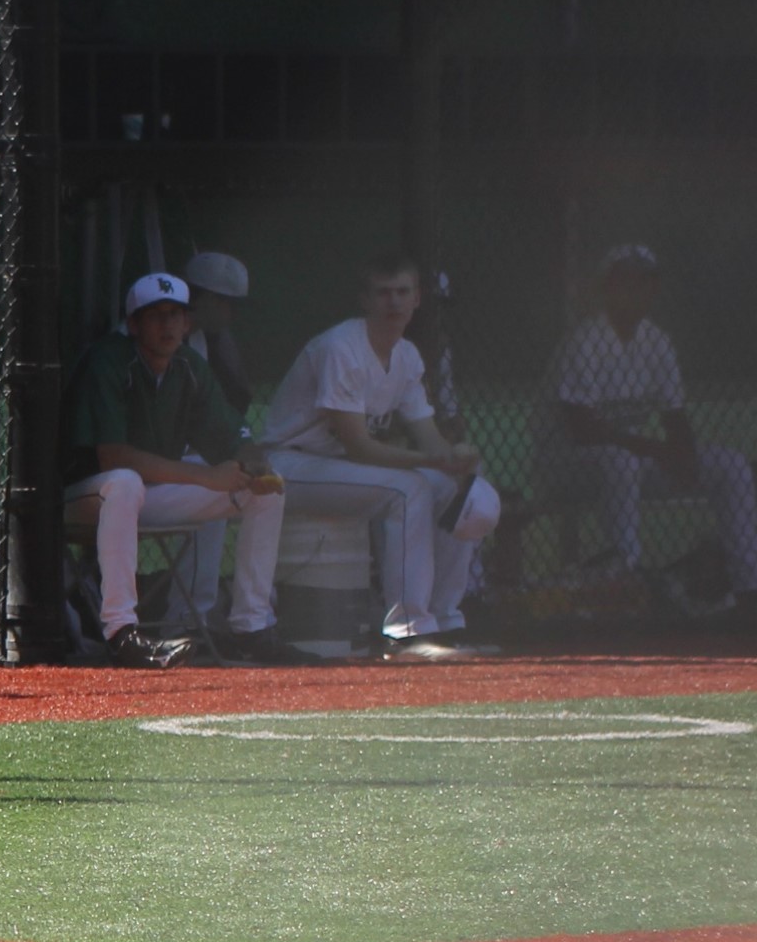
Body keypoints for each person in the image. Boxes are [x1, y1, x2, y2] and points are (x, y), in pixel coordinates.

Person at [260, 253, 499, 661]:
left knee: (459, 490)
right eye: (383, 293)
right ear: (365, 300)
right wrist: (432, 461)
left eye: (402, 292)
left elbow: (429, 438)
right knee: (408, 490)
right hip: (288, 467)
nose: (394, 302)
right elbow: (359, 446)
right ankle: (406, 633)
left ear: (417, 298)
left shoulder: (406, 356)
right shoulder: (342, 347)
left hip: (336, 468)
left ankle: (446, 621)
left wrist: (457, 461)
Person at [65, 270, 301, 667]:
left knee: (264, 492)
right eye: (156, 315)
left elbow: (232, 436)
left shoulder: (189, 366)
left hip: (146, 495)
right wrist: (207, 476)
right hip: (84, 495)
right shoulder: (109, 360)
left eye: (176, 315)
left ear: (188, 323)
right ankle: (122, 633)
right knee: (124, 482)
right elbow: (114, 457)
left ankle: (251, 628)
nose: (168, 324)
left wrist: (252, 459)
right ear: (134, 323)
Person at [543, 245, 757, 609]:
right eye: (626, 282)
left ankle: (747, 587)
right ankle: (629, 582)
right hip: (567, 463)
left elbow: (674, 416)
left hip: (633, 458)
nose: (637, 292)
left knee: (730, 466)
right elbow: (582, 430)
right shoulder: (586, 340)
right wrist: (657, 450)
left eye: (645, 283)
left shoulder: (656, 341)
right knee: (620, 462)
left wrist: (684, 453)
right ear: (607, 288)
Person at [181, 249, 256, 416]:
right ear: (207, 298)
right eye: (230, 304)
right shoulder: (151, 333)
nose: (234, 313)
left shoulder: (205, 337)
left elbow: (237, 398)